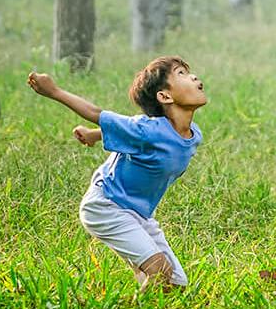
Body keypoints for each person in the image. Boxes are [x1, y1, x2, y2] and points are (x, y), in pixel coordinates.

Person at [27, 57, 207, 288]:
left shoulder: (193, 134)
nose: (193, 77)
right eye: (181, 73)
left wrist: (93, 135)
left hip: (139, 214)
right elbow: (97, 113)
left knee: (175, 284)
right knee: (159, 272)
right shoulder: (147, 130)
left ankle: (145, 296)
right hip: (107, 206)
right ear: (164, 96)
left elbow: (133, 135)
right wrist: (54, 91)